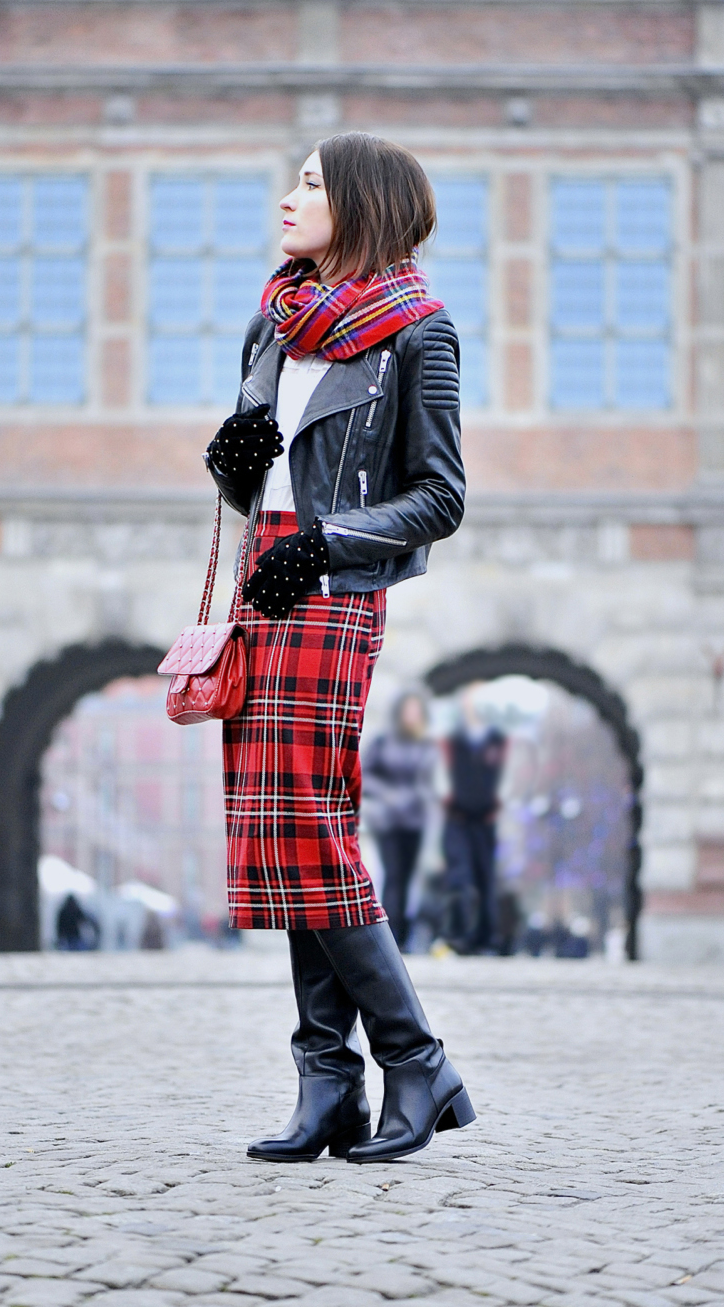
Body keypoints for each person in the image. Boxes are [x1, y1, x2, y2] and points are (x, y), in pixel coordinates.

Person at [205, 133, 475, 1165]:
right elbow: (255, 481)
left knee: (311, 829)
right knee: (283, 837)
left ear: (359, 204)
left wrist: (326, 543)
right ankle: (328, 1084)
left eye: (310, 184)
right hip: (262, 585)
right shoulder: (275, 322)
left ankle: (415, 1059)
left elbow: (440, 496)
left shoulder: (419, 332)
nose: (288, 197)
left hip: (330, 592)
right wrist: (230, 463)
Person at [362, 690, 436, 950]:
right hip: (388, 820)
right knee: (393, 875)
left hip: (414, 821)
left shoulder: (425, 745)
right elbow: (364, 775)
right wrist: (388, 795)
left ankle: (402, 936)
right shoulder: (383, 742)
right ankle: (389, 935)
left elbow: (430, 782)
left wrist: (421, 796)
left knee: (407, 878)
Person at [442, 690, 508, 955]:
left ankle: (486, 938)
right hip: (457, 818)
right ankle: (458, 935)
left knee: (485, 878)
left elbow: (508, 777)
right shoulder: (452, 739)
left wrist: (501, 803)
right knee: (459, 878)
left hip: (485, 819)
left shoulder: (497, 739)